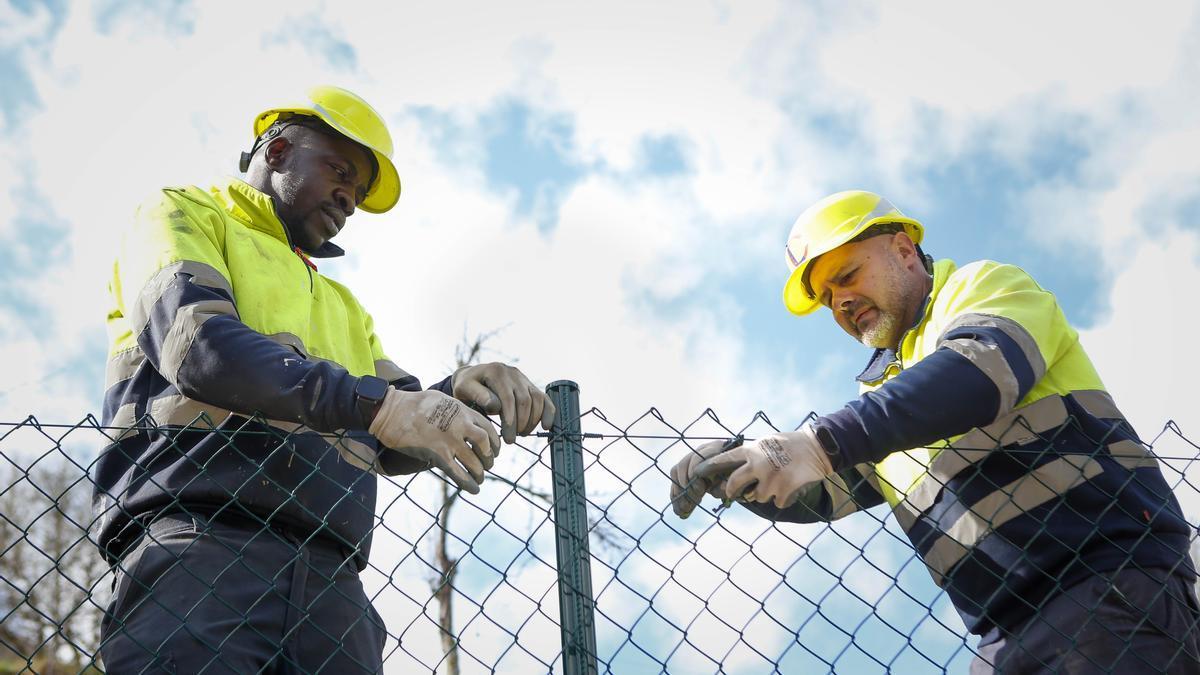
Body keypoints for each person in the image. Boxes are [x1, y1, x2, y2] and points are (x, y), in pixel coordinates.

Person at [92, 85, 555, 673]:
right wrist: (383, 408)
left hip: (333, 586)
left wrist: (456, 391)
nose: (350, 199)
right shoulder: (183, 214)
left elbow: (390, 424)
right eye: (340, 171)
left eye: (359, 191)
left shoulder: (344, 305)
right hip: (198, 545)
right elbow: (196, 346)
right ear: (279, 150)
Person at [668, 190, 1200, 673]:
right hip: (1002, 635)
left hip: (1107, 584)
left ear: (903, 250)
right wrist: (737, 470)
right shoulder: (882, 401)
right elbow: (824, 492)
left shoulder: (981, 287)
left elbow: (979, 373)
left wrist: (817, 443)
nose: (841, 302)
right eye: (828, 296)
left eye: (848, 275)